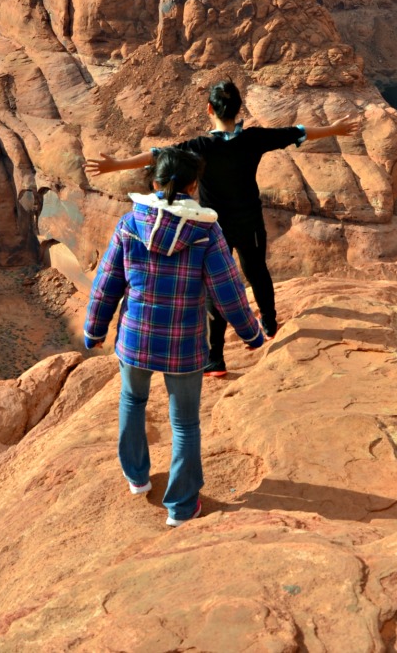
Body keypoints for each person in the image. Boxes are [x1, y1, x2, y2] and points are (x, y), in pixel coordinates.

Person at [85, 80, 362, 374]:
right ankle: (269, 323)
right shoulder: (253, 139)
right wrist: (334, 129)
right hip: (249, 222)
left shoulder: (200, 147)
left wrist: (115, 165)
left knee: (214, 287)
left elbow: (158, 155)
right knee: (256, 270)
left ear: (209, 109)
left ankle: (215, 358)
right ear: (238, 109)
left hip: (212, 228)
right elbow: (299, 133)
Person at [83, 147, 265, 527]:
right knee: (184, 423)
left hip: (135, 339)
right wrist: (251, 334)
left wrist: (94, 331)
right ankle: (181, 509)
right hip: (183, 345)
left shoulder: (130, 223)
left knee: (132, 401)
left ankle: (137, 478)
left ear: (154, 183)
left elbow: (106, 285)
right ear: (193, 186)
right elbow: (227, 290)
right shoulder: (206, 232)